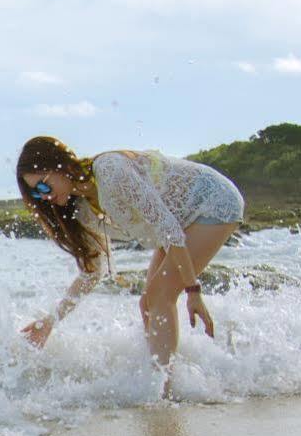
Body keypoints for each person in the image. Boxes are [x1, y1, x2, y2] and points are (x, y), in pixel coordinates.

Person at [15, 135, 245, 376]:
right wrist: (50, 321)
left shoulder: (109, 171)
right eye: (37, 194)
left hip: (212, 200)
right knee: (147, 304)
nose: (45, 196)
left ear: (59, 165)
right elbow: (92, 272)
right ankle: (158, 376)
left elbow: (167, 228)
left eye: (43, 185)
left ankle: (162, 389)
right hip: (178, 222)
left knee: (159, 296)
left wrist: (193, 291)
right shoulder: (82, 210)